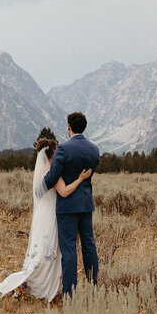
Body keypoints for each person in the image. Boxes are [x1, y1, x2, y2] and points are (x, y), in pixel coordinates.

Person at [0, 132, 91, 304]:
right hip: (52, 215)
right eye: (58, 149)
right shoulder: (53, 171)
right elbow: (64, 191)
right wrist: (81, 179)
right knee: (50, 249)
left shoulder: (44, 170)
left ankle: (42, 285)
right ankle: (44, 287)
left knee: (44, 249)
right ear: (53, 152)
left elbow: (39, 193)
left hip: (42, 216)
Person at [42, 111, 100, 297]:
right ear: (84, 126)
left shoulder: (64, 149)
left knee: (69, 249)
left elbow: (52, 178)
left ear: (69, 127)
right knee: (89, 245)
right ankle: (93, 287)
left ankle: (70, 294)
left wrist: (40, 187)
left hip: (67, 206)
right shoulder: (94, 149)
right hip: (85, 204)